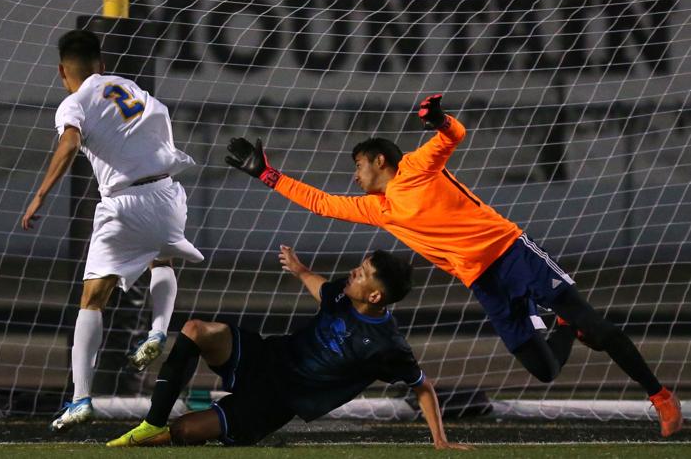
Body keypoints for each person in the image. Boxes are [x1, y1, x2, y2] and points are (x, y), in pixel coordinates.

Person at [225, 94, 683, 438]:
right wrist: (268, 174)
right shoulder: (377, 207)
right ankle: (562, 325)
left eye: (358, 166)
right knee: (542, 368)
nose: (355, 176)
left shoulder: (416, 169)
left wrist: (439, 119)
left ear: (379, 160)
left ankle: (659, 396)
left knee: (599, 329)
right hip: (482, 281)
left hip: (513, 253)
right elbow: (321, 204)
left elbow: (453, 136)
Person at [106, 245, 472, 450]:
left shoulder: (386, 345)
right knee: (196, 329)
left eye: (361, 273)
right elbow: (320, 286)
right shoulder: (342, 298)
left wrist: (440, 440)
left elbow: (422, 385)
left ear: (375, 295)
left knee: (184, 432)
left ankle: (168, 431)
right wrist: (299, 268)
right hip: (266, 357)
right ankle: (149, 423)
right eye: (358, 267)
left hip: (275, 402)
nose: (353, 273)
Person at [21, 29, 204, 432]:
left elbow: (69, 144)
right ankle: (157, 331)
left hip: (123, 203)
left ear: (60, 71)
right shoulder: (128, 85)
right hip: (168, 193)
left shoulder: (74, 102)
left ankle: (81, 398)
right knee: (163, 257)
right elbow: (161, 114)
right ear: (101, 66)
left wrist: (39, 196)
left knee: (92, 300)